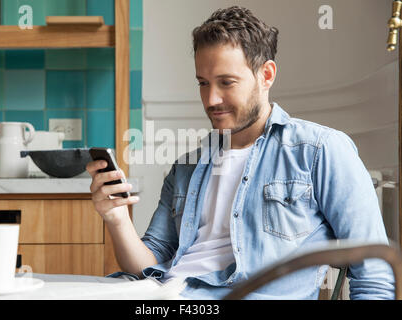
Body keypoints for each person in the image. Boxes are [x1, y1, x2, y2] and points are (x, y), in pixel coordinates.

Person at [86, 6, 395, 299]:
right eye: (203, 83)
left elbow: (374, 271)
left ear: (267, 75)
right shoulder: (187, 167)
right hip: (158, 294)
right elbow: (143, 267)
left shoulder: (320, 150)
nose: (211, 99)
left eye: (226, 82)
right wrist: (116, 219)